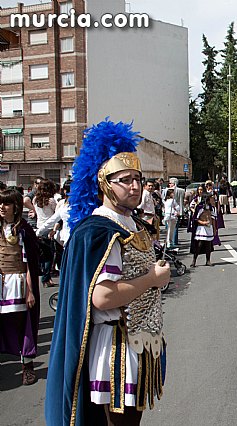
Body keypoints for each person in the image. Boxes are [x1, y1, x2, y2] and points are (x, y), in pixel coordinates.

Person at [45, 119, 170, 425]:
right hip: (114, 350)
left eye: (138, 178)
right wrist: (152, 279)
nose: (135, 186)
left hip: (138, 343)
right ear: (104, 183)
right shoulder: (99, 231)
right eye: (125, 180)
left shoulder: (131, 224)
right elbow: (102, 297)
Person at [0, 189, 40, 385]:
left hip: (18, 282)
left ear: (15, 207)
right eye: (0, 203)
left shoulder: (23, 229)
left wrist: (30, 291)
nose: (2, 207)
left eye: (6, 203)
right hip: (1, 282)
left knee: (22, 325)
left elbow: (29, 263)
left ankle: (27, 365)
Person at [34, 179, 57, 288]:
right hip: (49, 228)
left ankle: (45, 276)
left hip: (39, 227)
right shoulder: (51, 201)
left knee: (43, 255)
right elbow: (56, 214)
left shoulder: (35, 200)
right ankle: (46, 278)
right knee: (49, 255)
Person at [188, 194, 220, 267]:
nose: (213, 200)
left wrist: (215, 229)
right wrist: (203, 222)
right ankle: (194, 261)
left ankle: (208, 261)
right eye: (211, 198)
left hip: (209, 228)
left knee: (208, 245)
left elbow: (213, 219)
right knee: (199, 245)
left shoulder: (212, 208)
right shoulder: (200, 207)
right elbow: (196, 218)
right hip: (201, 228)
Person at [167, 178, 185, 247]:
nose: (169, 184)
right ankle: (175, 241)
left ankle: (172, 242)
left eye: (170, 183)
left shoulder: (169, 190)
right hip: (179, 209)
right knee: (176, 227)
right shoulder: (181, 190)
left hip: (171, 210)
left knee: (170, 228)